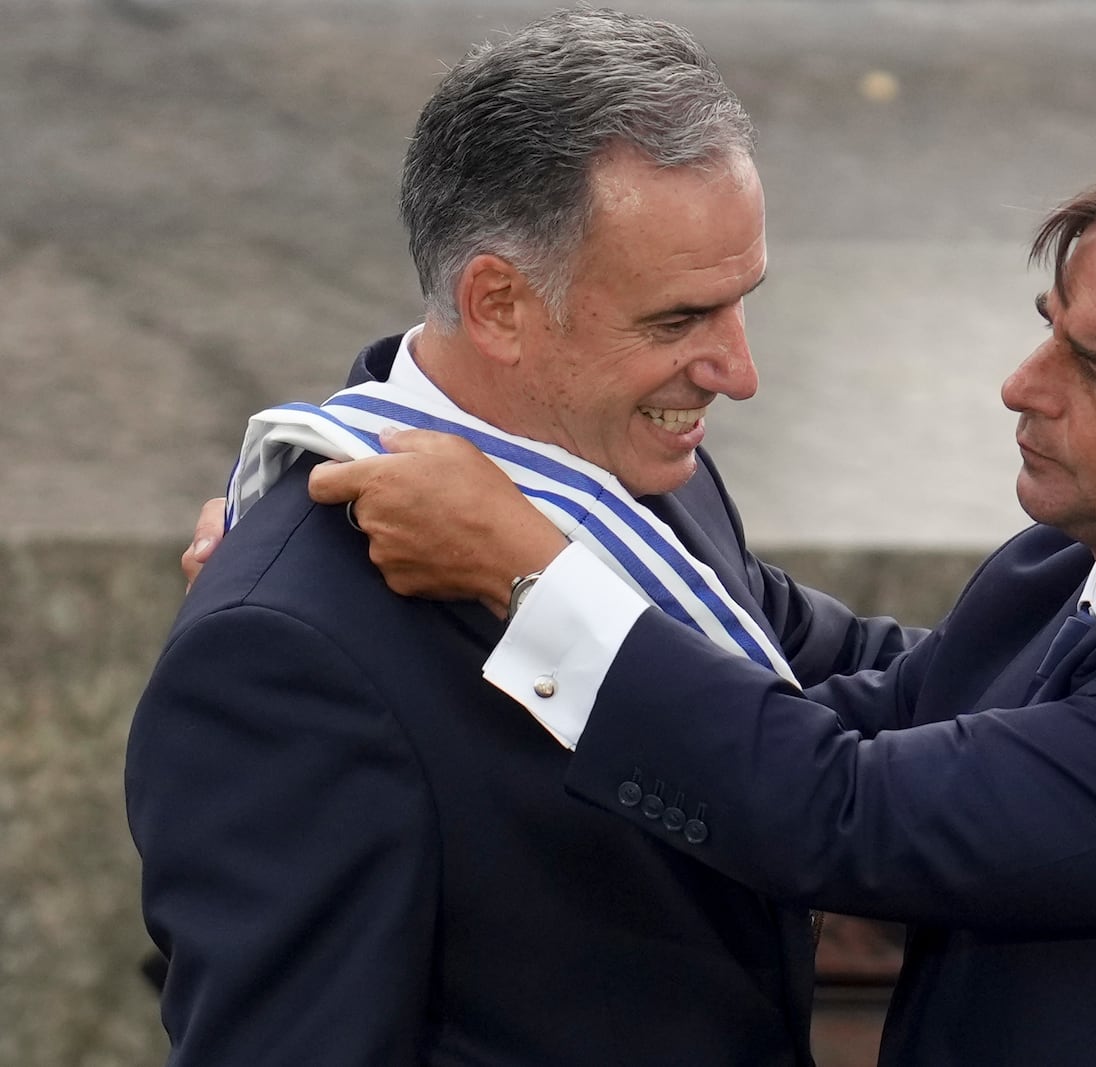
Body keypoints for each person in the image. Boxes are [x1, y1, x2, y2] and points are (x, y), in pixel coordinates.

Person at [305, 122, 1096, 1065]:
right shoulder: (1072, 563)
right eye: (1050, 332)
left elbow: (836, 809)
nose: (1020, 387)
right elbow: (838, 698)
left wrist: (525, 566)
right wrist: (340, 571)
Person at [126, 11, 920, 1065]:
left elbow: (842, 680)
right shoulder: (281, 653)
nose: (738, 369)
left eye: (740, 306)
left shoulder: (643, 471)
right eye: (678, 320)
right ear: (498, 301)